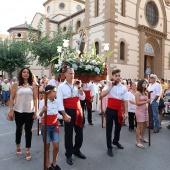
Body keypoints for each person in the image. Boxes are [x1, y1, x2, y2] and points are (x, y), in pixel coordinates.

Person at [57, 68, 86, 165]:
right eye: (70, 73)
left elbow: (83, 97)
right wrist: (64, 114)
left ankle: (77, 150)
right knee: (69, 134)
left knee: (80, 133)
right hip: (68, 110)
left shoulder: (76, 84)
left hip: (78, 110)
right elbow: (59, 102)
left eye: (73, 73)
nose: (72, 75)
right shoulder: (61, 87)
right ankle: (68, 154)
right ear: (65, 74)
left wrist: (79, 87)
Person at [8, 68, 38, 161]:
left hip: (30, 111)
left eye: (27, 72)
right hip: (18, 110)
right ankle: (18, 145)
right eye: (24, 72)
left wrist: (36, 111)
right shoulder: (16, 84)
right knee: (19, 129)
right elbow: (12, 98)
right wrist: (11, 110)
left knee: (29, 131)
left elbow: (35, 98)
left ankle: (27, 149)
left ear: (29, 74)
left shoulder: (33, 85)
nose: (26, 74)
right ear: (21, 74)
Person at [101, 69, 128, 157]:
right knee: (109, 129)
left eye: (119, 75)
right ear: (112, 76)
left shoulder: (123, 87)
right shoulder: (108, 85)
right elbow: (102, 95)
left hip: (119, 110)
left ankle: (116, 141)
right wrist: (111, 86)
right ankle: (109, 147)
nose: (118, 77)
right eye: (116, 76)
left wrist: (126, 112)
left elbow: (125, 100)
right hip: (110, 109)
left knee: (118, 127)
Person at [38, 85, 62, 170]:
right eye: (54, 91)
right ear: (48, 93)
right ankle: (48, 164)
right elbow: (38, 116)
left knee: (56, 145)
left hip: (54, 126)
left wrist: (64, 117)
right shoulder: (43, 102)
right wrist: (42, 111)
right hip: (46, 127)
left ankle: (54, 162)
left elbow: (56, 114)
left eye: (56, 91)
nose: (56, 93)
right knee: (47, 146)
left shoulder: (56, 102)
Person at [135, 79, 150, 149]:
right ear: (140, 84)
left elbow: (147, 100)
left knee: (145, 124)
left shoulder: (145, 92)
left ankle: (142, 137)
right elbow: (137, 103)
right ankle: (137, 142)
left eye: (146, 83)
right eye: (144, 83)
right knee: (139, 126)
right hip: (139, 111)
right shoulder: (138, 93)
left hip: (145, 110)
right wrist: (146, 102)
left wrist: (148, 101)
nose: (145, 84)